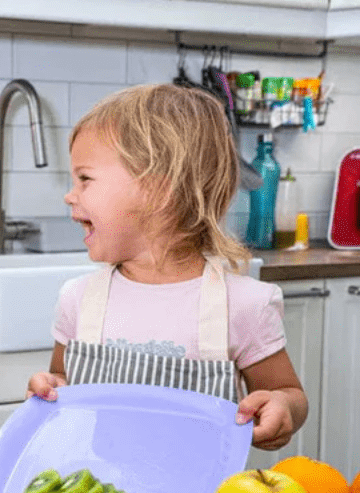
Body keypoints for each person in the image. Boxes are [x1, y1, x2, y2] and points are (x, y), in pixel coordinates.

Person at [27, 83, 307, 451]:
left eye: (85, 178)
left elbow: (288, 393)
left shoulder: (242, 304)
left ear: (159, 190)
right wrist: (51, 387)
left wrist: (282, 407)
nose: (70, 194)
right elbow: (63, 377)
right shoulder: (79, 299)